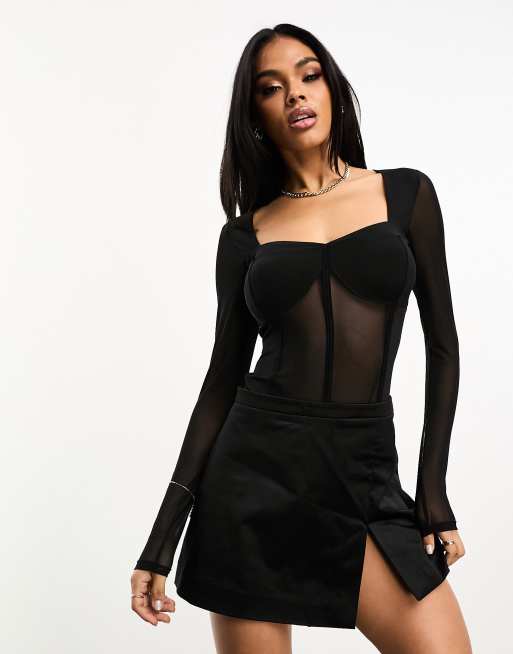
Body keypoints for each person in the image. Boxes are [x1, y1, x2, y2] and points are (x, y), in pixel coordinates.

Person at [131, 23, 472, 653]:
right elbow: (220, 384)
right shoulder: (246, 236)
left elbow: (443, 347)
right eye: (271, 87)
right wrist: (160, 543)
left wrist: (432, 489)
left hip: (364, 476)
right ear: (255, 116)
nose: (295, 94)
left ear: (333, 89)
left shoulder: (405, 194)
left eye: (309, 75)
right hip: (252, 488)